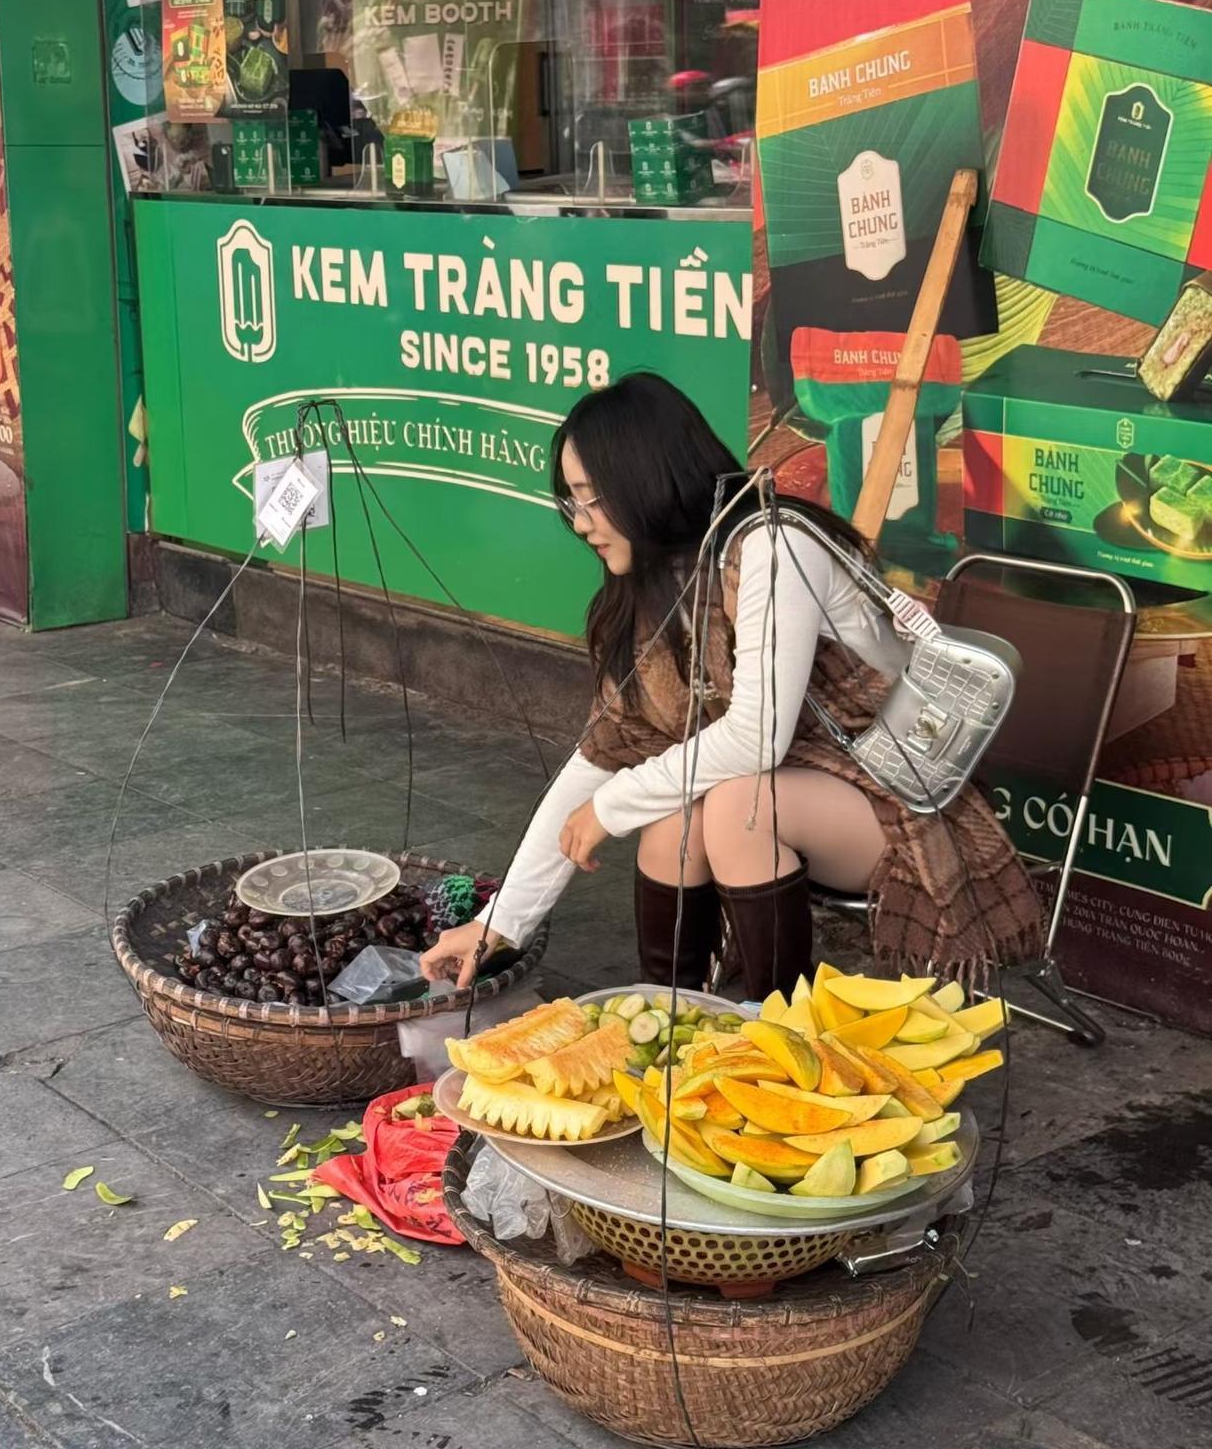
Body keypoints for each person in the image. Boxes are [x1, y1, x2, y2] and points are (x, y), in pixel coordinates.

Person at [421, 373, 1041, 1000]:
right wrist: (497, 924)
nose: (580, 523)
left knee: (736, 805)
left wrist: (611, 808)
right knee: (673, 819)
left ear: (642, 479)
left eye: (590, 497)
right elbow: (602, 753)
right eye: (571, 503)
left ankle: (777, 1038)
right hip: (795, 789)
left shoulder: (773, 544)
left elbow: (756, 739)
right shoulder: (658, 583)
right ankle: (676, 1025)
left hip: (894, 799)